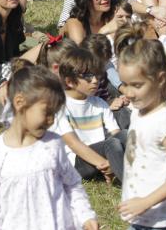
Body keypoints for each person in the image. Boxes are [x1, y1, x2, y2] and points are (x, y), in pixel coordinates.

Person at [0, 64, 98, 229]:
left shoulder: (53, 144)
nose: (51, 120)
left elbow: (72, 184)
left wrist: (85, 216)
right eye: (47, 113)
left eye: (55, 114)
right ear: (20, 102)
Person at [113, 38, 166, 228]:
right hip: (140, 218)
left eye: (137, 85)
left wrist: (146, 202)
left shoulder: (165, 121)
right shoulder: (139, 112)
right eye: (125, 84)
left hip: (160, 222)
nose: (129, 92)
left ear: (160, 78)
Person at [51, 47, 124, 183]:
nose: (95, 80)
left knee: (126, 135)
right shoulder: (59, 105)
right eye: (88, 76)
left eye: (96, 75)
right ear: (69, 82)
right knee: (112, 144)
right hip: (75, 162)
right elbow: (74, 144)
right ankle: (133, 187)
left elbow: (116, 133)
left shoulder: (99, 103)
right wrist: (106, 165)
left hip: (99, 156)